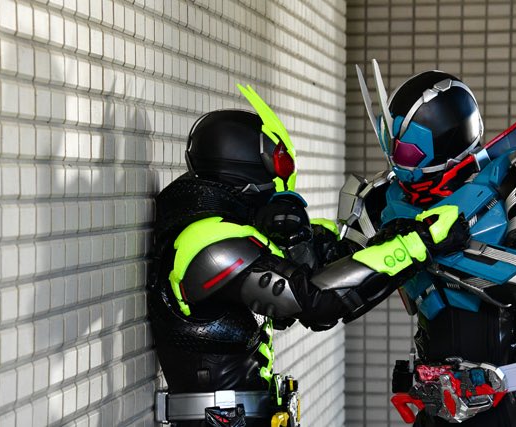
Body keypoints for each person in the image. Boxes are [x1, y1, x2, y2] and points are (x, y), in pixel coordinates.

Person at [147, 84, 470, 427]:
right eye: (277, 164)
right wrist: (416, 244)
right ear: (245, 164)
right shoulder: (208, 243)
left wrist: (313, 238)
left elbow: (321, 265)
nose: (282, 177)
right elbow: (316, 300)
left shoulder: (221, 231)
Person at [340, 60, 516, 427]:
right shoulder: (385, 202)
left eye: (408, 152)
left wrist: (427, 247)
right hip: (437, 408)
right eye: (392, 148)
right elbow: (336, 285)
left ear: (446, 140)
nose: (399, 163)